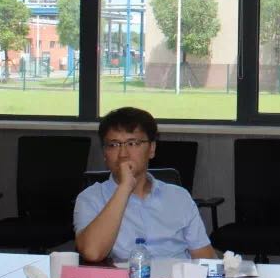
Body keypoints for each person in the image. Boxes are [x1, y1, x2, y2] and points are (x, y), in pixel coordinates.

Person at [74, 107, 218, 262]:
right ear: (104, 153)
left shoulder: (178, 196)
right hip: (127, 277)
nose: (123, 154)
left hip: (177, 275)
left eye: (132, 143)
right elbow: (92, 252)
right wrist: (125, 187)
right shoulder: (91, 198)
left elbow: (205, 257)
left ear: (152, 149)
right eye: (114, 145)